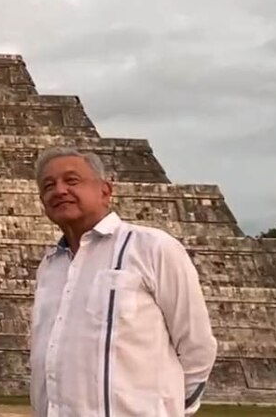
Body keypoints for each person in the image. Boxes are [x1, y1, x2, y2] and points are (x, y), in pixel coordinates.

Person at [28, 146, 218, 416]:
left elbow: (197, 346)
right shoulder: (50, 266)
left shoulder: (152, 248)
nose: (59, 191)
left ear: (105, 191)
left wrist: (170, 409)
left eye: (72, 181)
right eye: (49, 185)